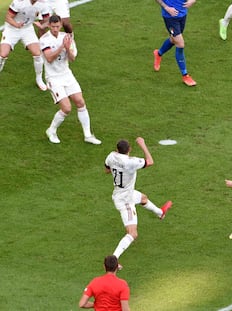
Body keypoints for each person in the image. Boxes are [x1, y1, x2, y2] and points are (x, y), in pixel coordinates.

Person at [105, 137, 173, 265]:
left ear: (117, 149)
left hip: (121, 193)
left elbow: (107, 170)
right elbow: (150, 161)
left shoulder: (111, 156)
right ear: (129, 149)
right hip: (126, 200)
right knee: (133, 233)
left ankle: (160, 212)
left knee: (143, 198)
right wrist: (143, 145)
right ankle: (114, 259)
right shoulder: (131, 162)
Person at [39, 14, 101, 145]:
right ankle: (51, 130)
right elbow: (49, 58)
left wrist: (67, 48)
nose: (55, 29)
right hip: (53, 78)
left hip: (66, 74)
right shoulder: (44, 40)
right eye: (53, 26)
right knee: (67, 108)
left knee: (80, 102)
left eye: (57, 26)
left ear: (61, 25)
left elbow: (72, 58)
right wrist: (62, 47)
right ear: (49, 25)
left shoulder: (67, 38)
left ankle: (88, 135)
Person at [0, 0, 49, 91]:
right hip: (12, 29)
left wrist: (43, 26)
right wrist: (16, 25)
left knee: (37, 54)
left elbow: (47, 20)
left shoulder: (43, 4)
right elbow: (8, 17)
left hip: (27, 29)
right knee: (3, 54)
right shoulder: (19, 2)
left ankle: (39, 79)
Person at [153, 0, 197, 87]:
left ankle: (158, 53)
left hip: (182, 14)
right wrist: (166, 8)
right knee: (180, 44)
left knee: (174, 40)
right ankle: (185, 75)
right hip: (170, 17)